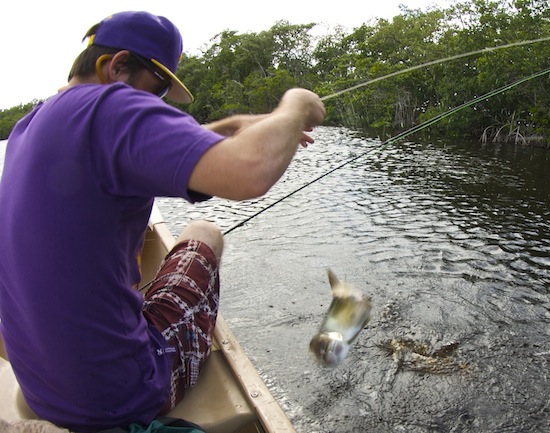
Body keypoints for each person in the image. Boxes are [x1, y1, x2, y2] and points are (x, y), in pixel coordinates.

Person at [0, 10, 325, 433]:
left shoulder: (33, 125)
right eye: (156, 90)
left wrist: (231, 127)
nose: (157, 104)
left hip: (45, 390)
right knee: (205, 232)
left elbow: (152, 146)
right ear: (116, 67)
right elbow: (250, 172)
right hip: (118, 395)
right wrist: (295, 105)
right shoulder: (111, 105)